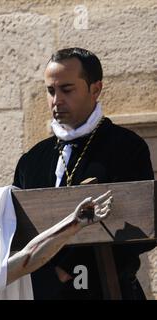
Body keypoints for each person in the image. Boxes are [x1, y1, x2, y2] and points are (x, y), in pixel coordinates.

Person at [13, 47, 155, 299]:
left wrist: (66, 269)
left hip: (107, 289)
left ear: (95, 89)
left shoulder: (126, 147)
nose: (56, 100)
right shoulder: (32, 160)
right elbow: (19, 229)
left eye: (66, 90)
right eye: (50, 91)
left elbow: (141, 226)